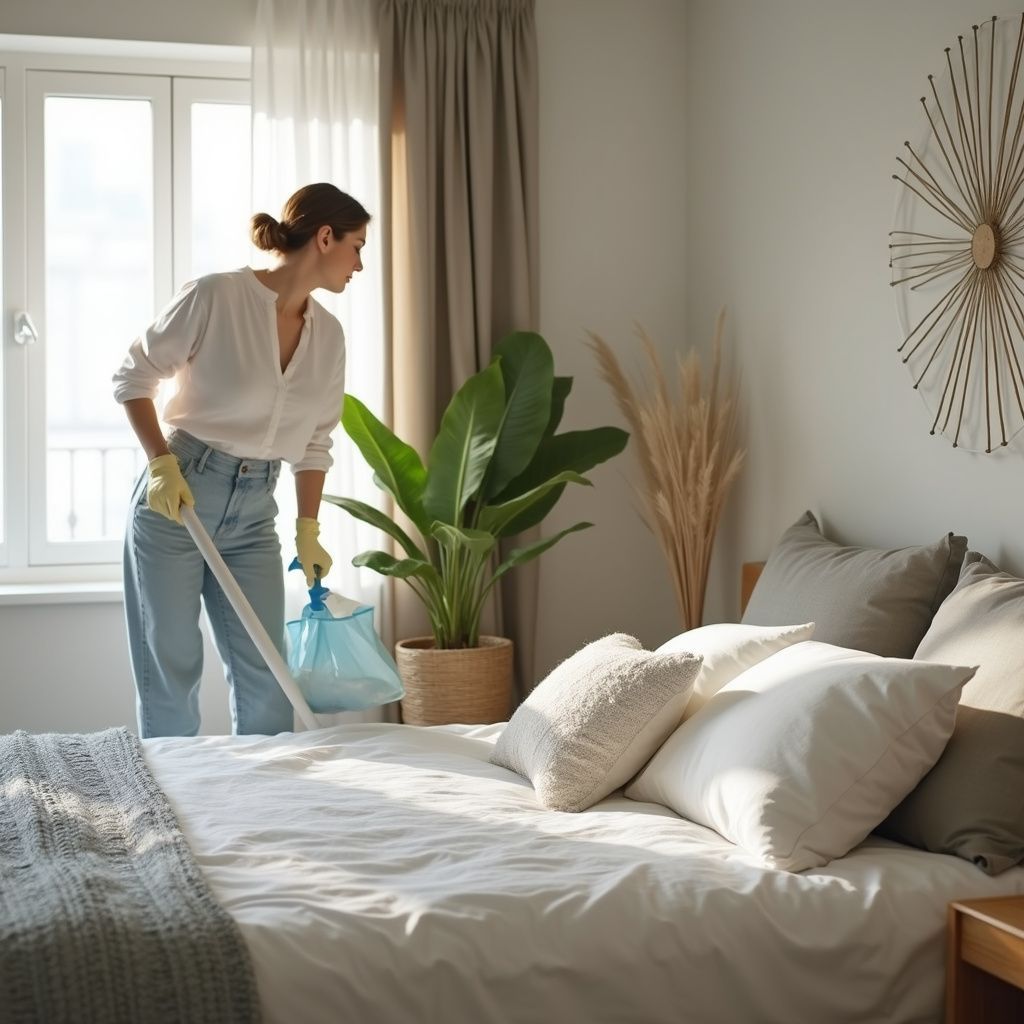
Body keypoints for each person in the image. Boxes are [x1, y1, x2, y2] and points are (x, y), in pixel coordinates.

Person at [113, 182, 369, 738]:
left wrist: (307, 527)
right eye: (356, 246)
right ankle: (174, 807)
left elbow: (316, 443)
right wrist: (161, 462)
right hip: (178, 495)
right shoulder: (216, 296)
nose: (360, 264)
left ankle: (264, 805)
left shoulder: (328, 336)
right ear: (325, 237)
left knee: (267, 672)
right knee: (172, 663)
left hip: (256, 512)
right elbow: (134, 377)